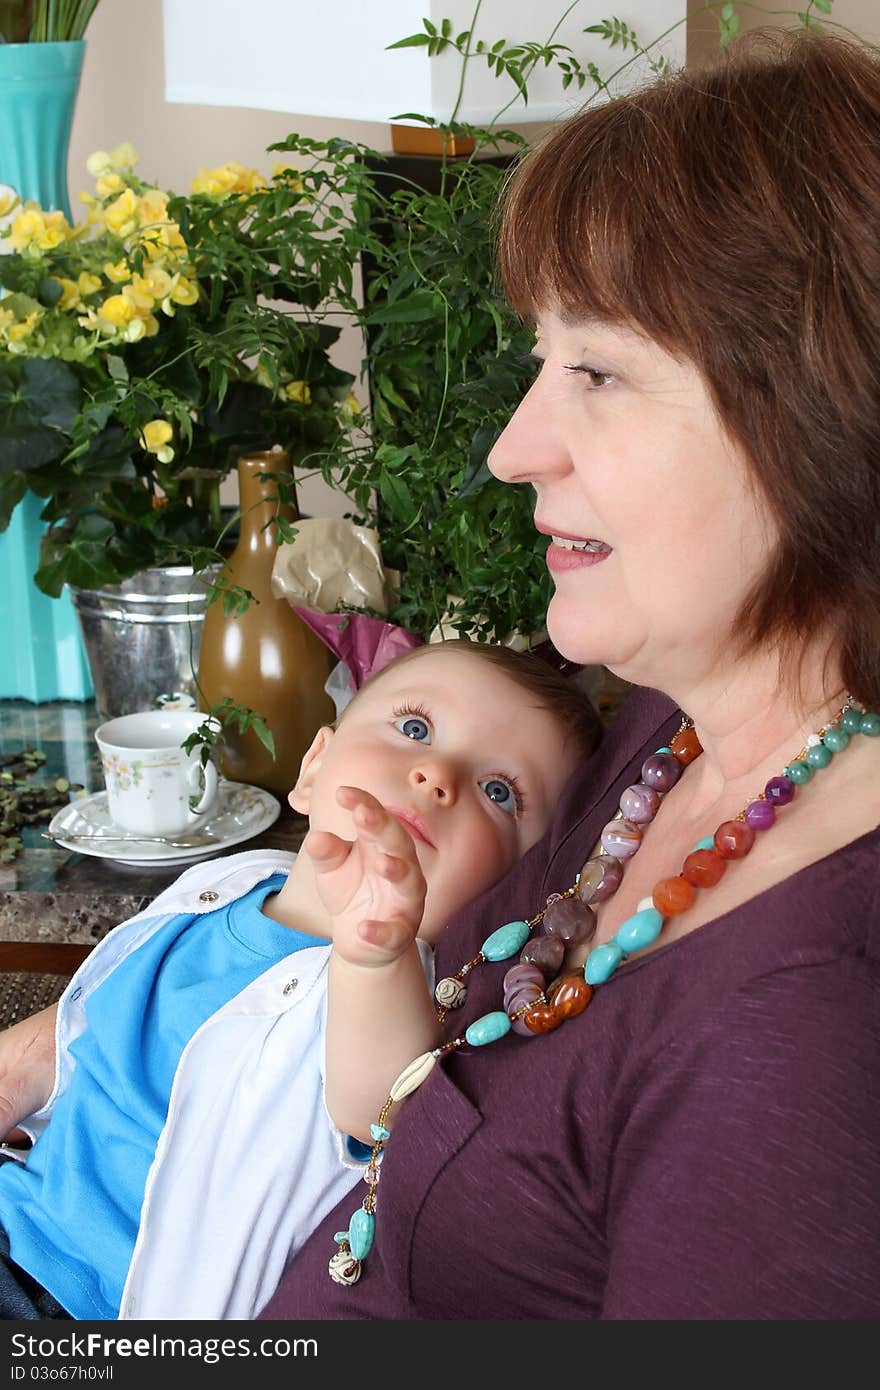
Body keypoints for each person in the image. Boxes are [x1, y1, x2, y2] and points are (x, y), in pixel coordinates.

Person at [254, 30, 880, 1320]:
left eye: (595, 369)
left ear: (824, 413)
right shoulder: (674, 728)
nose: (510, 447)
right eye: (543, 359)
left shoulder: (813, 1030)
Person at [0, 639, 601, 1320]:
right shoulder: (225, 884)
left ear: (506, 892)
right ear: (315, 767)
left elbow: (379, 1106)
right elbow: (88, 1035)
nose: (438, 775)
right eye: (414, 728)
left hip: (95, 1307)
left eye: (500, 793)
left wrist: (374, 953)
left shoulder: (388, 994)